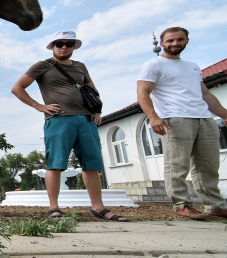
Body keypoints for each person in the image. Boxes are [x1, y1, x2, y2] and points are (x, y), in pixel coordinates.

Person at [11, 30, 127, 221]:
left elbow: (92, 89)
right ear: (52, 46)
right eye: (59, 43)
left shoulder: (80, 66)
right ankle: (54, 208)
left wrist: (97, 110)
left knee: (92, 164)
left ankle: (98, 207)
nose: (64, 47)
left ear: (74, 46)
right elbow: (17, 88)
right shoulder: (42, 65)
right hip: (59, 119)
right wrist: (39, 106)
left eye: (68, 43)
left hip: (86, 120)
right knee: (55, 164)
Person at [137, 27, 227, 219]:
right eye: (170, 41)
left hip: (204, 118)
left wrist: (224, 115)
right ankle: (180, 204)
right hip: (175, 119)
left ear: (186, 41)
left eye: (179, 40)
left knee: (208, 166)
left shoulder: (193, 66)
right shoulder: (153, 65)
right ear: (162, 43)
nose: (175, 43)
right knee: (177, 165)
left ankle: (215, 205)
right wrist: (153, 117)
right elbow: (143, 93)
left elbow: (205, 94)